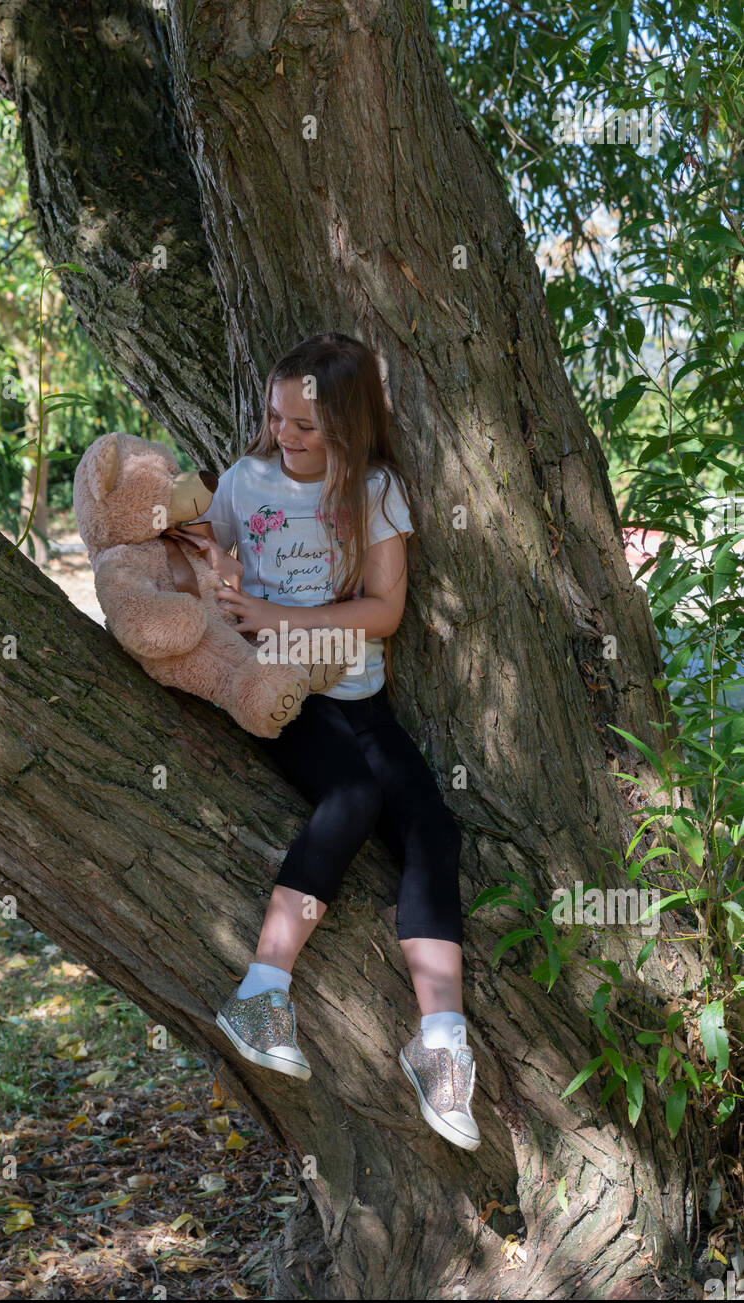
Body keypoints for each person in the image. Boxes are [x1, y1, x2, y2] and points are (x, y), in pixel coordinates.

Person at [184, 332, 478, 1150]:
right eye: (278, 417)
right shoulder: (246, 481)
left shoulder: (376, 489)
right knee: (350, 796)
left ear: (347, 429)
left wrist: (291, 616)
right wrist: (228, 585)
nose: (287, 434)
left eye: (307, 426)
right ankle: (260, 990)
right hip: (282, 692)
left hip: (359, 691)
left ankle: (442, 1046)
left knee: (431, 830)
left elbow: (383, 611)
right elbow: (214, 553)